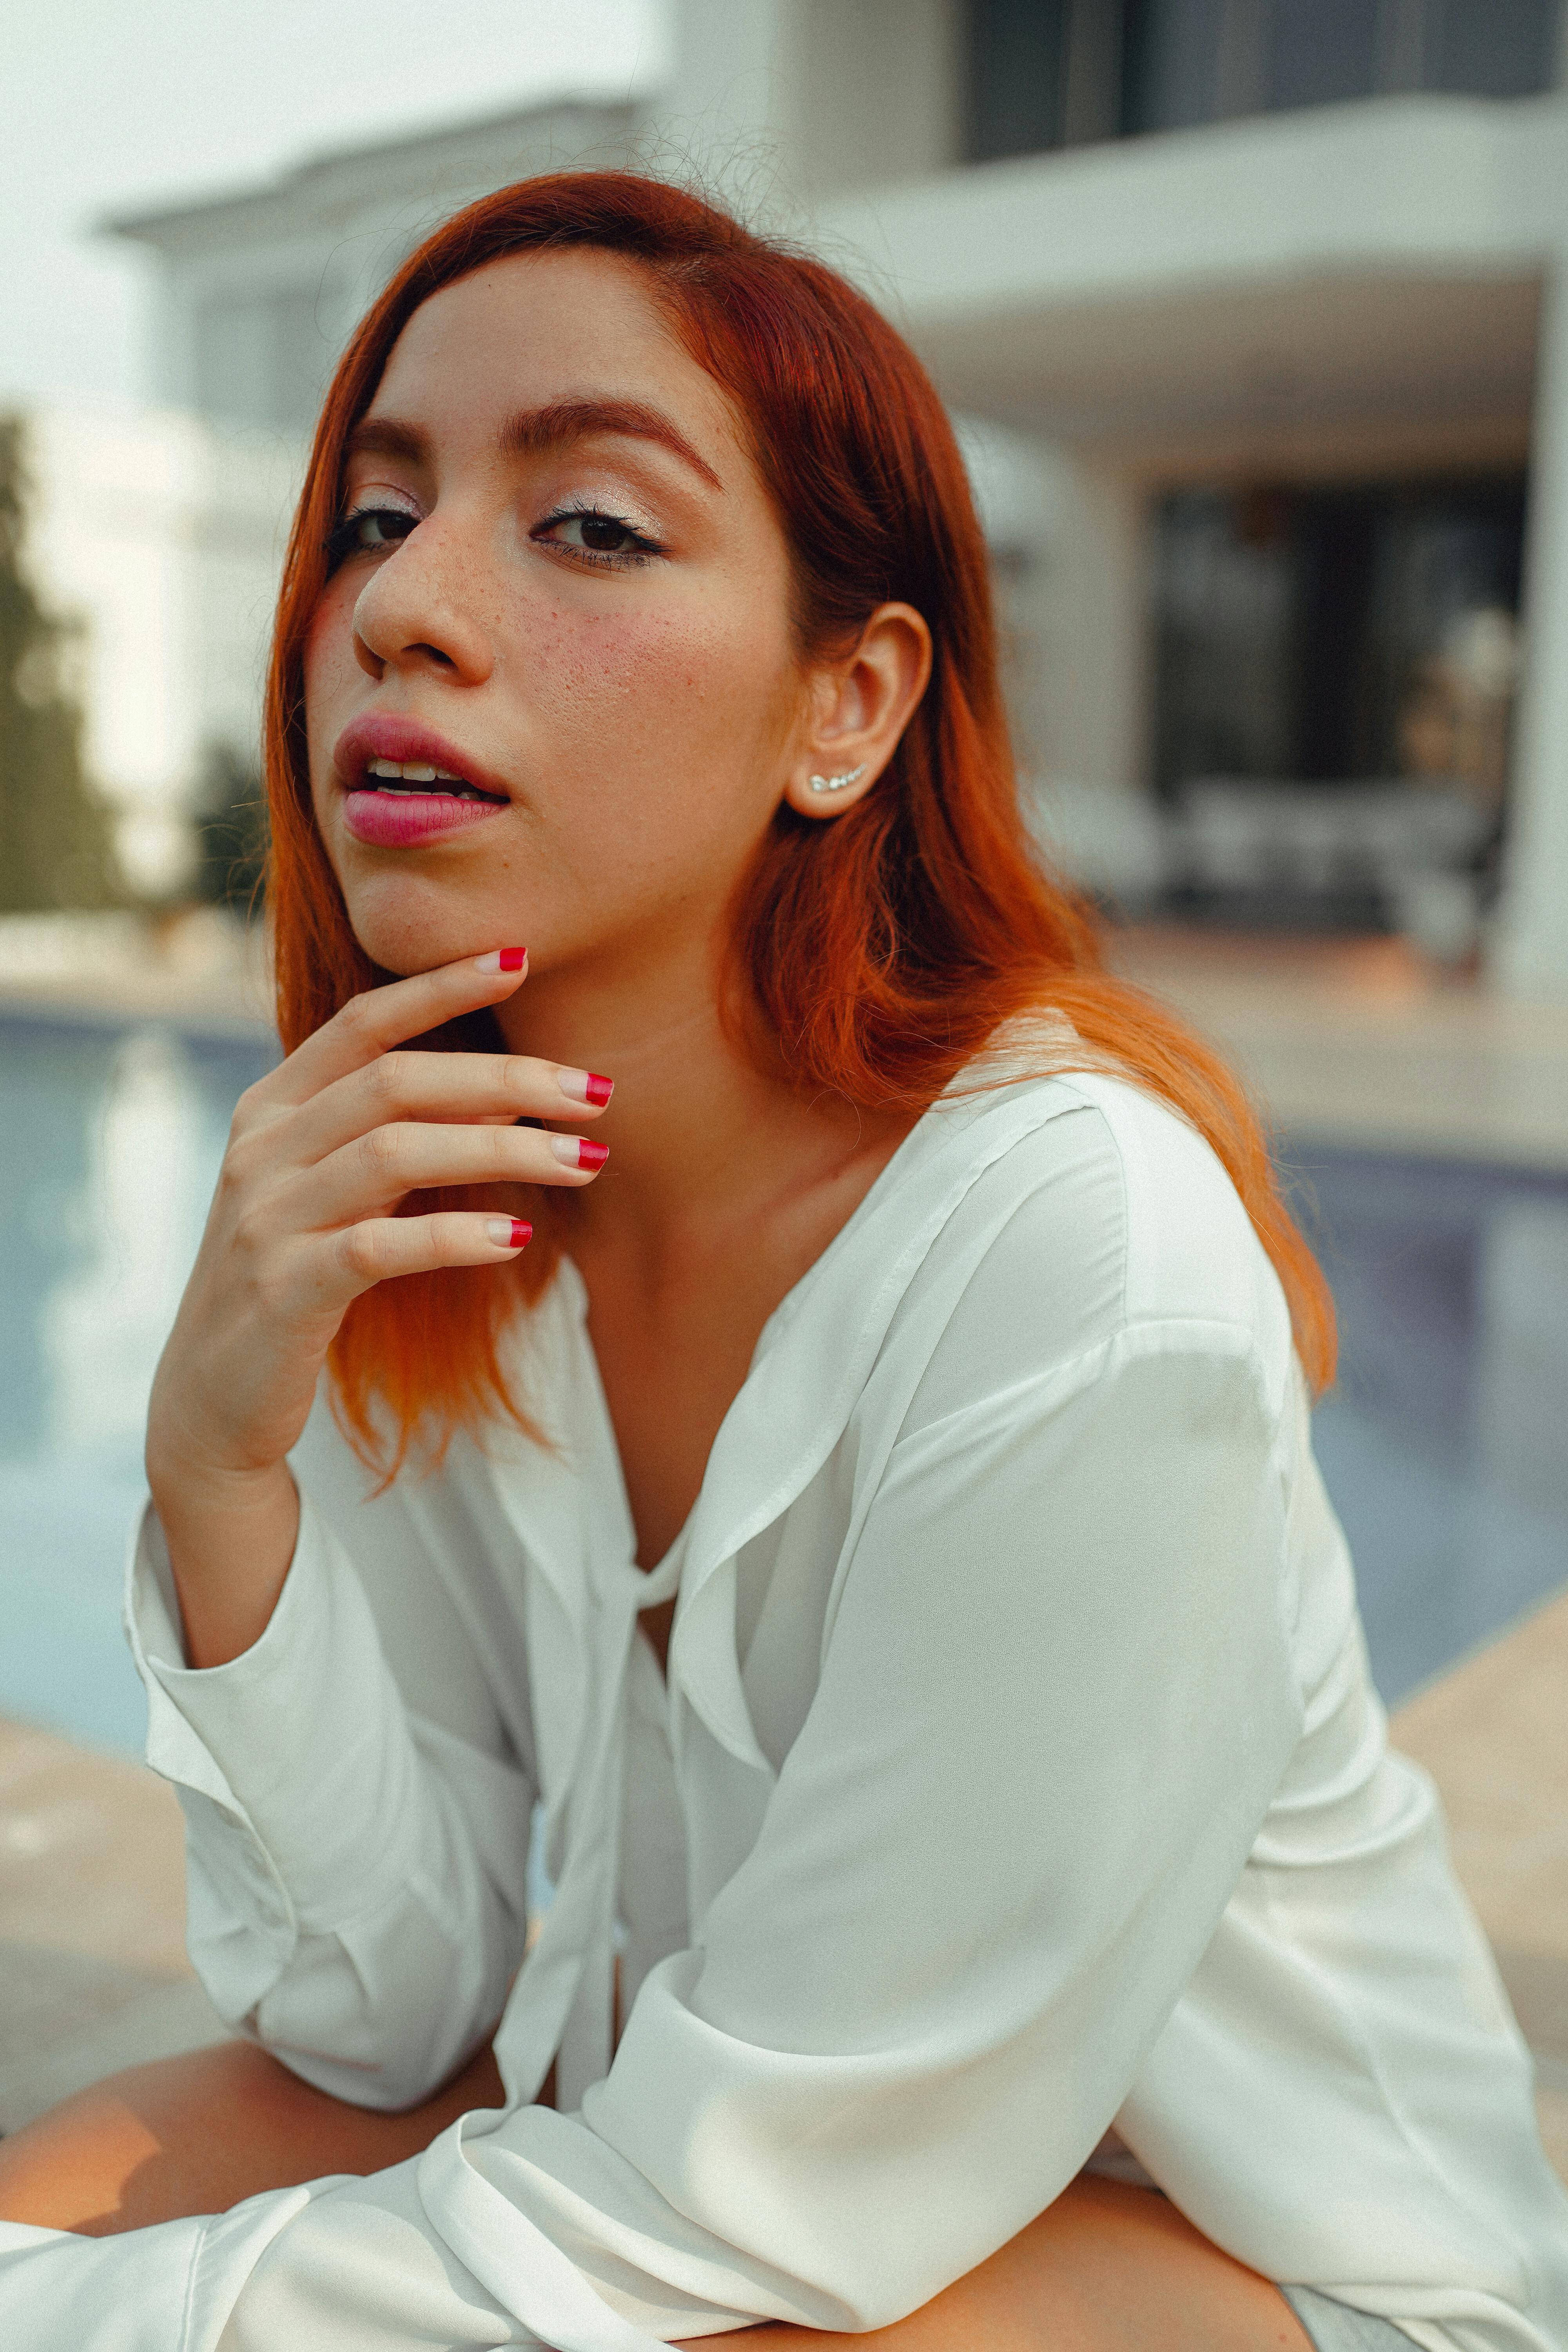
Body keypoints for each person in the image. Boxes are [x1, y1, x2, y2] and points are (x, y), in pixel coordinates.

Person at [0, 172, 1562, 2352]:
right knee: (73, 2173)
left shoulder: (1069, 1259)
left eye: (591, 528)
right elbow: (381, 2013)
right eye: (374, 514)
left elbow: (759, 2218)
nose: (401, 610)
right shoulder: (432, 1200)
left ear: (849, 705)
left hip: (1265, 2271)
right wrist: (220, 1475)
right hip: (770, 2186)